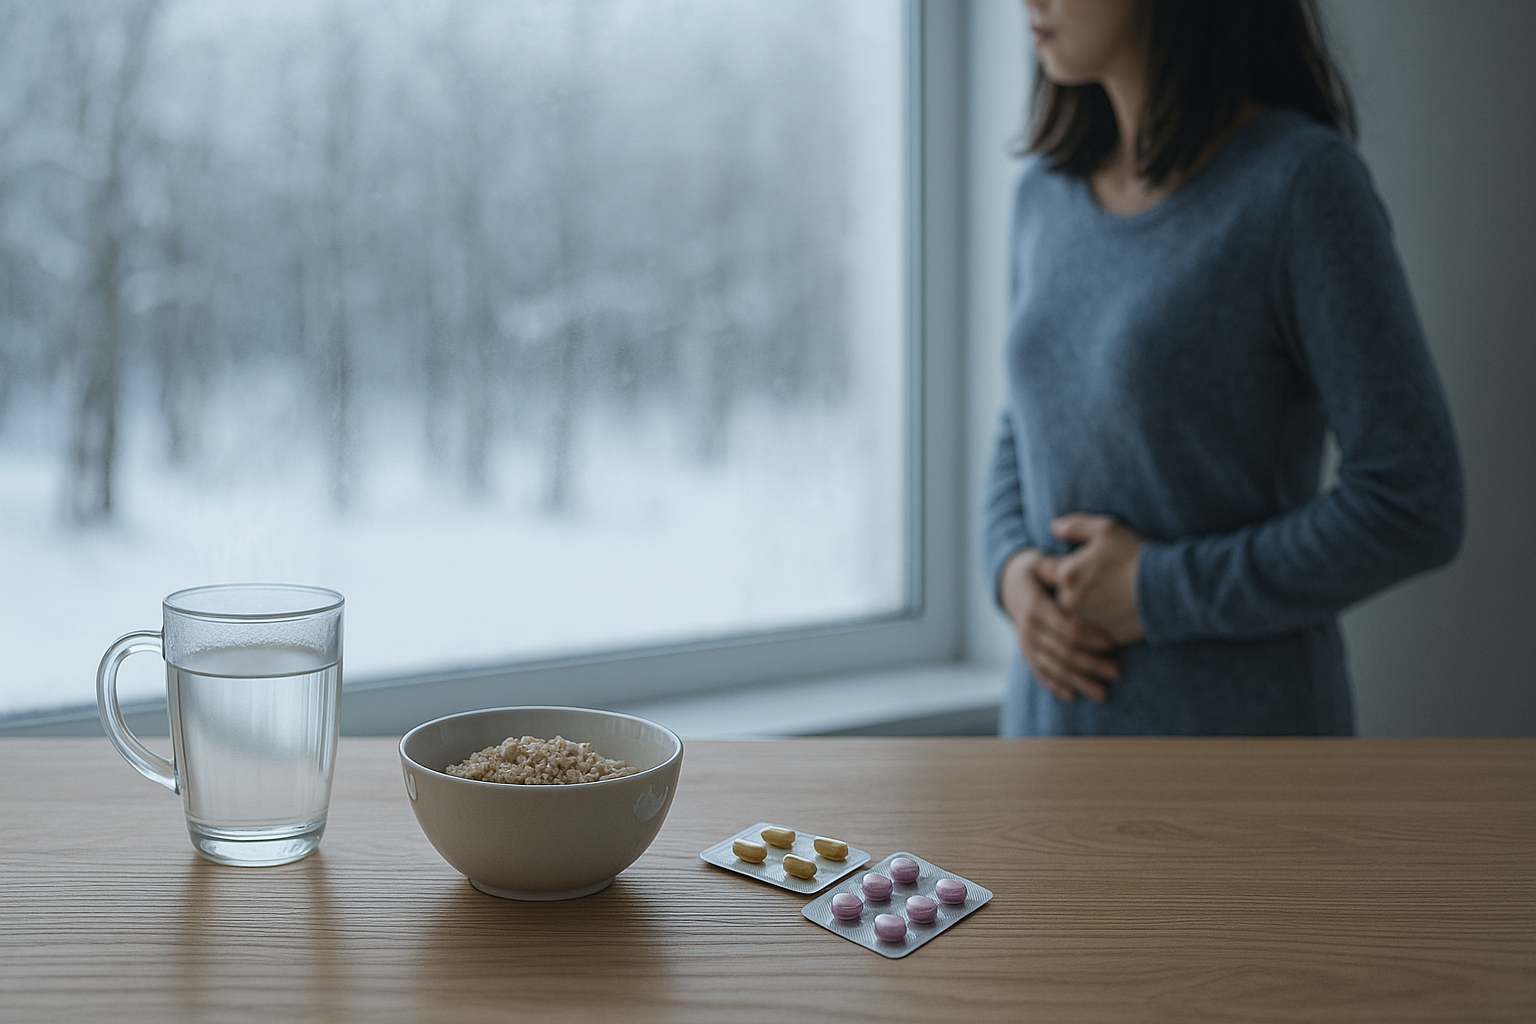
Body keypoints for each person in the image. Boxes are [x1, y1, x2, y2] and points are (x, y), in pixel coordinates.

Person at [986, 0, 1464, 735]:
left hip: (1240, 754)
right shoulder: (1041, 194)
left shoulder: (1301, 188)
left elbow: (1414, 501)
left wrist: (1158, 590)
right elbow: (1025, 421)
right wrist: (1010, 569)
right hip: (1046, 740)